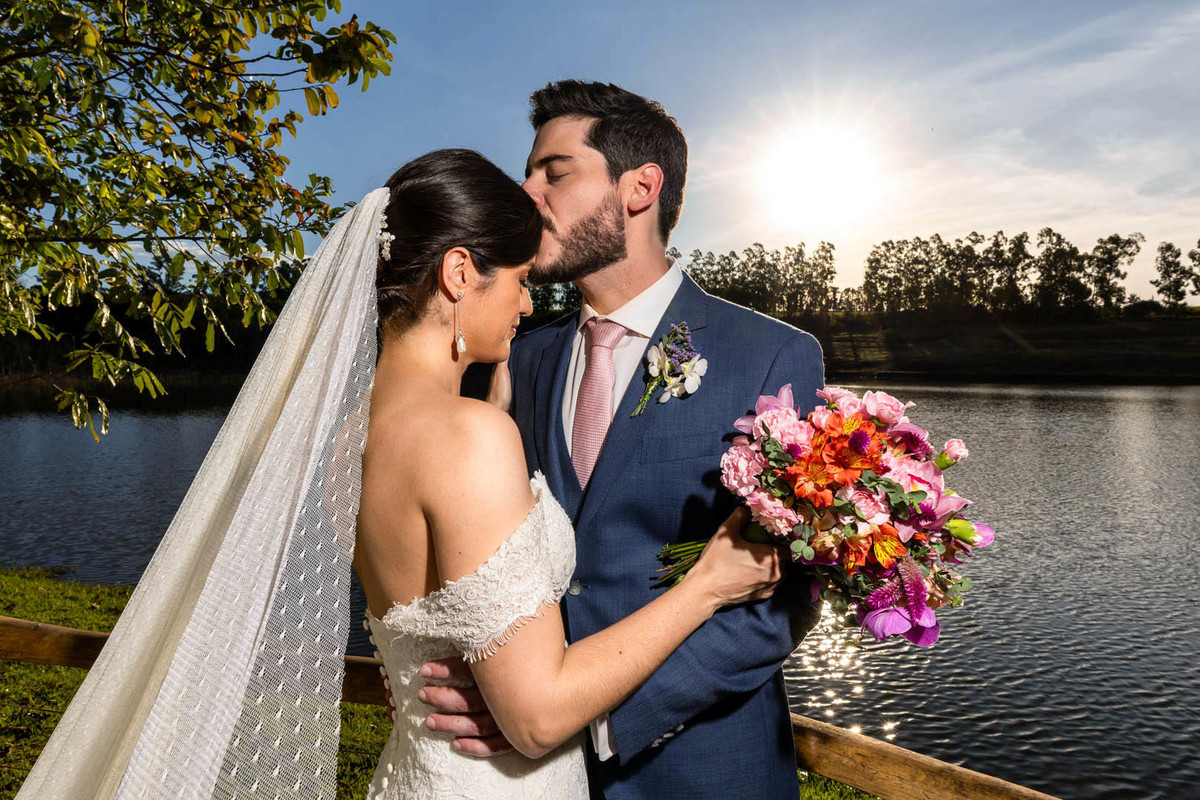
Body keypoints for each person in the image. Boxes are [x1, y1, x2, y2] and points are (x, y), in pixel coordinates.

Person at [13, 148, 785, 800]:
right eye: (517, 277)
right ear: (458, 272)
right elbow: (539, 717)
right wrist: (708, 585)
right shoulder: (469, 437)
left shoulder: (348, 436)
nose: (525, 301)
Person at [418, 81, 825, 800]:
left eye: (555, 171)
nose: (527, 190)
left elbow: (785, 594)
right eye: (529, 171)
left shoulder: (770, 354)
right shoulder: (519, 358)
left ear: (639, 188)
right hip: (528, 771)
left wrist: (595, 717)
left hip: (700, 772)